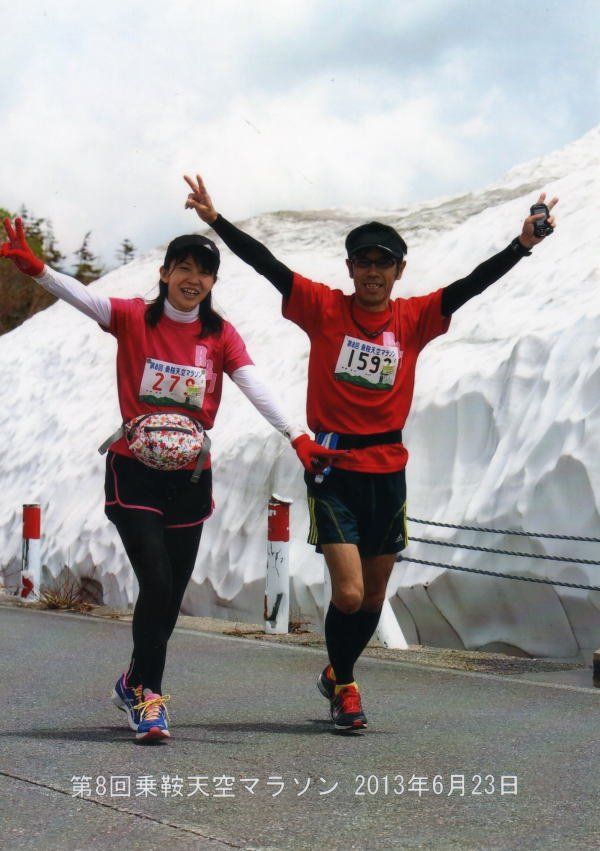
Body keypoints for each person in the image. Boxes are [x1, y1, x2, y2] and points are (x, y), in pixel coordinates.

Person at [183, 174, 558, 732]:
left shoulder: (414, 318)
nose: (374, 272)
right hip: (334, 470)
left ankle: (336, 673)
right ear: (351, 268)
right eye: (364, 262)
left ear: (399, 272)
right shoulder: (323, 308)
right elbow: (268, 265)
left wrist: (521, 245)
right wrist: (216, 222)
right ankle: (347, 687)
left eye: (384, 263)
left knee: (375, 597)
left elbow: (470, 286)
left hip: (389, 472)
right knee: (351, 592)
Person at [0, 217, 342, 742]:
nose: (193, 279)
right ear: (165, 273)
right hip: (132, 473)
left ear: (212, 283)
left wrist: (296, 435)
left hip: (190, 478)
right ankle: (148, 699)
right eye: (184, 268)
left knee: (170, 593)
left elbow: (254, 385)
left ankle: (133, 680)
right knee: (156, 582)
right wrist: (38, 269)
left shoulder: (219, 336)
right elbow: (86, 299)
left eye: (204, 273)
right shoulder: (136, 319)